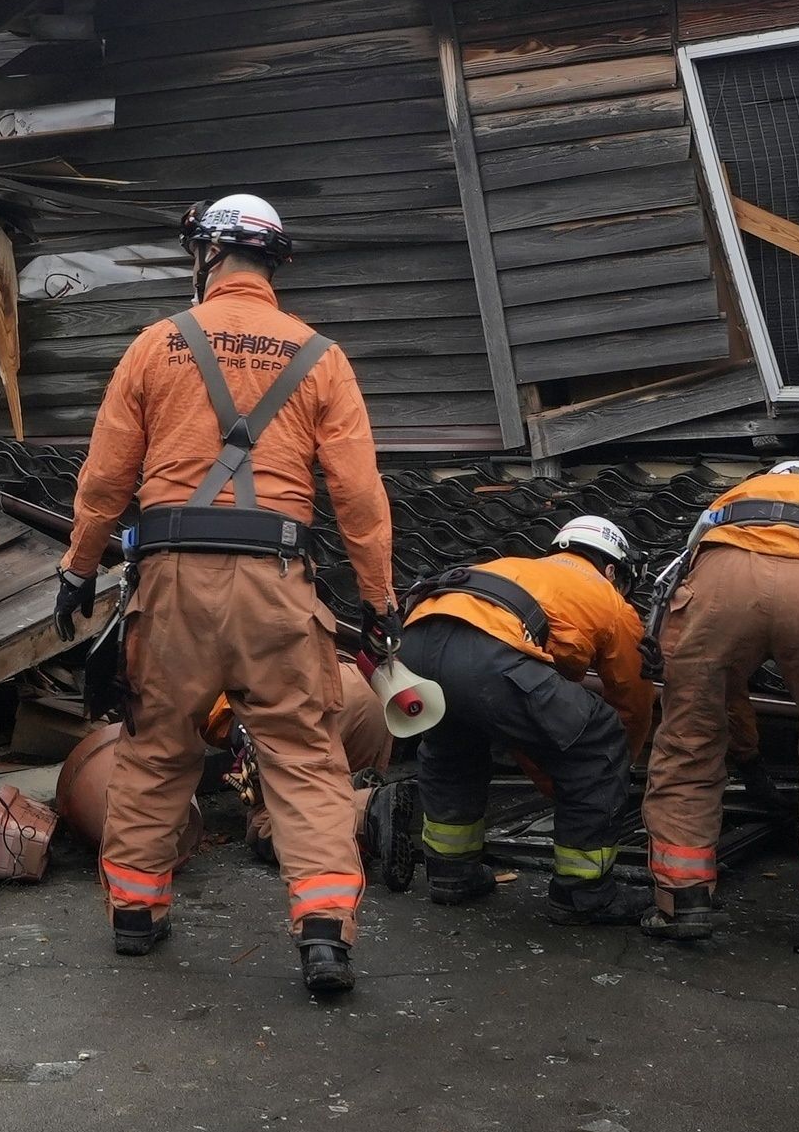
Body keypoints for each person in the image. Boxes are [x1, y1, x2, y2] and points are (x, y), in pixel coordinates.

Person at [54, 192, 393, 1001]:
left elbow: (106, 476)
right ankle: (322, 936)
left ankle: (135, 917)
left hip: (171, 580)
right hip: (278, 584)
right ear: (272, 262)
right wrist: (379, 600)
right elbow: (358, 495)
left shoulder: (155, 345)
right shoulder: (320, 357)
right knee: (307, 761)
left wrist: (77, 565)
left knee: (156, 747)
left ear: (205, 256)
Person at [639, 459, 799, 951]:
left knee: (689, 741)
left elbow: (683, 572)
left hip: (722, 581)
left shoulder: (733, 499)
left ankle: (681, 901)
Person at [387, 513, 650, 912]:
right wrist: (609, 770)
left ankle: (450, 873)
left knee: (453, 746)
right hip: (486, 654)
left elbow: (521, 717)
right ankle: (585, 894)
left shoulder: (517, 568)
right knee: (600, 737)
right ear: (612, 568)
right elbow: (632, 699)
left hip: (415, 643)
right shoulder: (608, 597)